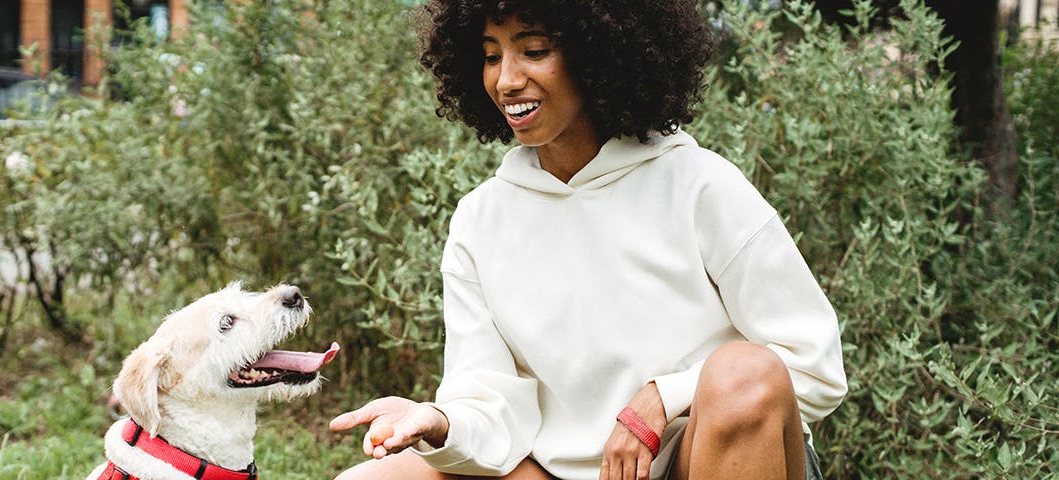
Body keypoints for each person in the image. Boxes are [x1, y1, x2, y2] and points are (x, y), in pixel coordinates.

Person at [329, 1, 848, 479]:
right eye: (491, 56)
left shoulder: (700, 185)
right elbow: (490, 405)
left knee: (744, 373)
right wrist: (440, 421)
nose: (507, 80)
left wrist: (661, 399)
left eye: (534, 51)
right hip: (566, 474)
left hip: (705, 462)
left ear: (598, 53)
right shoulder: (480, 220)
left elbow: (812, 365)